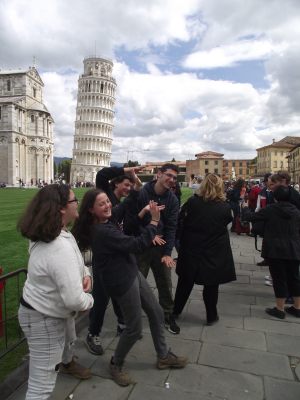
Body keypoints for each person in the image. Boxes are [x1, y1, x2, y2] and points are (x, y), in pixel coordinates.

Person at [73, 189, 187, 387]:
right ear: (91, 210)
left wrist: (139, 201)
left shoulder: (105, 221)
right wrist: (153, 221)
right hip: (121, 281)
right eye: (102, 204)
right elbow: (136, 244)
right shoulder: (102, 231)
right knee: (134, 328)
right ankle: (116, 364)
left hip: (130, 271)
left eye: (108, 201)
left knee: (156, 312)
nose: (108, 206)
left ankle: (163, 355)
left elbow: (123, 208)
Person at [17, 184, 94, 400]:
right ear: (61, 208)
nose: (77, 202)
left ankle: (68, 363)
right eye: (73, 200)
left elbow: (75, 260)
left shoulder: (56, 233)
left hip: (45, 311)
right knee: (41, 385)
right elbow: (74, 299)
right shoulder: (57, 246)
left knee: (65, 347)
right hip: (45, 317)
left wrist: (85, 273)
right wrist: (90, 299)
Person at [82, 166, 142, 356]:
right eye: (125, 185)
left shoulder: (119, 203)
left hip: (116, 252)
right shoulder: (105, 195)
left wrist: (134, 180)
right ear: (116, 183)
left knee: (117, 294)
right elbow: (101, 175)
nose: (127, 188)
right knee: (101, 298)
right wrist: (125, 169)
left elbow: (127, 223)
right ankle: (93, 333)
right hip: (104, 256)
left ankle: (122, 324)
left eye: (129, 186)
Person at [123, 163, 180, 334]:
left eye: (175, 178)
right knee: (136, 284)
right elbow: (132, 221)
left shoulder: (172, 200)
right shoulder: (143, 192)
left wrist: (168, 253)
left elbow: (171, 228)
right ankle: (131, 319)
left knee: (165, 283)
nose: (171, 180)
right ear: (159, 174)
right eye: (168, 175)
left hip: (160, 246)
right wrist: (149, 234)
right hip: (141, 245)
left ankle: (168, 315)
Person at [173, 174, 236, 325]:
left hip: (192, 247)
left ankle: (175, 311)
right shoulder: (225, 207)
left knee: (185, 282)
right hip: (214, 249)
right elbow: (228, 223)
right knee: (211, 285)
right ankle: (211, 316)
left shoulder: (192, 202)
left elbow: (181, 219)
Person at [242, 186, 300, 319]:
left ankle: (280, 309)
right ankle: (297, 307)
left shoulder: (271, 210)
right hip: (294, 249)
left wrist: (245, 207)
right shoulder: (296, 211)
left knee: (279, 279)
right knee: (294, 278)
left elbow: (251, 217)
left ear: (275, 197)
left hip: (276, 250)